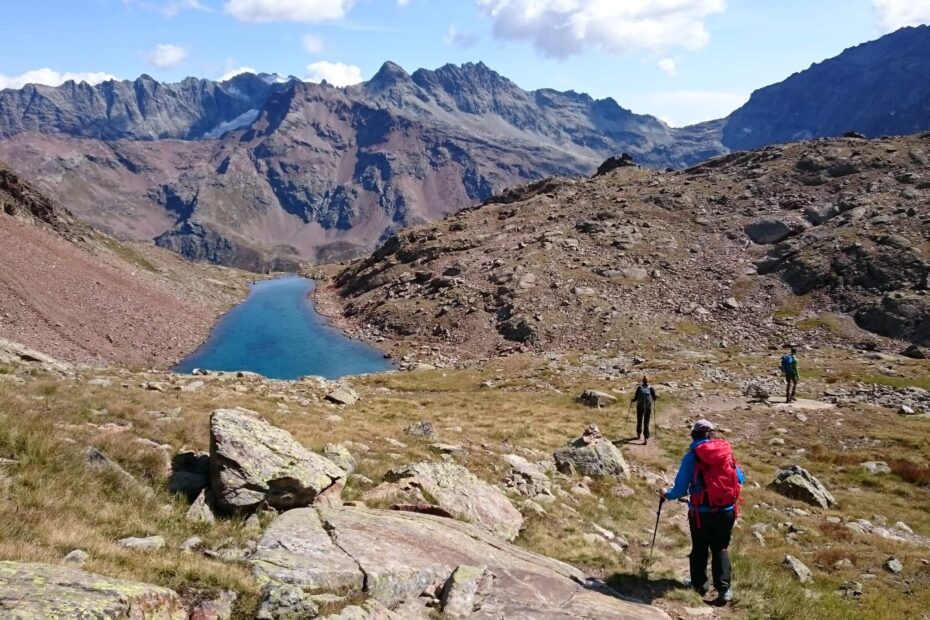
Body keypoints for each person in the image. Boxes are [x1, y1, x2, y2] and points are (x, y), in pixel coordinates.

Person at [660, 419, 745, 605]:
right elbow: (740, 478)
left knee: (700, 548)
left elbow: (681, 488)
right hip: (726, 511)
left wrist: (667, 494)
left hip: (701, 513)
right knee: (720, 548)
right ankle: (724, 589)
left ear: (694, 434)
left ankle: (699, 586)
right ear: (711, 433)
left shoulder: (692, 456)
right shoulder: (725, 453)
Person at [631, 375, 658, 445]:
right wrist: (654, 399)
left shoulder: (639, 388)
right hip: (648, 407)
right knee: (646, 423)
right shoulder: (651, 388)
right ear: (648, 381)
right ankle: (646, 439)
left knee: (639, 420)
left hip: (640, 407)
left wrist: (632, 400)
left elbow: (636, 398)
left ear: (642, 381)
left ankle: (638, 434)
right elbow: (654, 398)